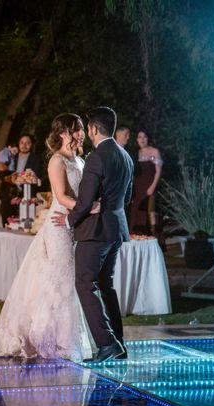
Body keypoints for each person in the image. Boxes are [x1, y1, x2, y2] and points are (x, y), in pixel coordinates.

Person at [0, 114, 97, 361]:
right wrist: (91, 208)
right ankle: (56, 341)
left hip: (76, 222)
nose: (80, 135)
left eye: (80, 131)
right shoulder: (56, 161)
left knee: (68, 280)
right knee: (61, 280)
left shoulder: (80, 160)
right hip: (59, 226)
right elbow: (62, 196)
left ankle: (62, 337)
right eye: (76, 130)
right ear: (63, 133)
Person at [53, 107, 134, 363]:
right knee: (106, 285)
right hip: (116, 228)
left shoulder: (98, 157)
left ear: (94, 129)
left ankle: (107, 343)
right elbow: (127, 197)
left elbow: (86, 200)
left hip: (95, 231)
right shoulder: (125, 155)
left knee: (85, 284)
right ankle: (118, 343)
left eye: (87, 128)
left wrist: (69, 219)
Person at [0, 134, 43, 226]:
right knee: (7, 224)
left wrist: (28, 178)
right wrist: (10, 178)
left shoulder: (36, 159)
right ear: (18, 143)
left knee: (25, 225)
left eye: (27, 143)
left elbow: (38, 176)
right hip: (9, 195)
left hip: (26, 196)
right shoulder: (11, 155)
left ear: (32, 145)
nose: (24, 145)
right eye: (22, 142)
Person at [129, 129, 163, 235]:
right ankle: (137, 237)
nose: (142, 139)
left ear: (148, 138)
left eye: (144, 137)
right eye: (139, 137)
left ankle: (154, 239)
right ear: (137, 140)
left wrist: (152, 187)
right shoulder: (136, 153)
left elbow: (158, 171)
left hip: (150, 187)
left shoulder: (154, 151)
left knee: (151, 212)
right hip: (138, 187)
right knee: (136, 212)